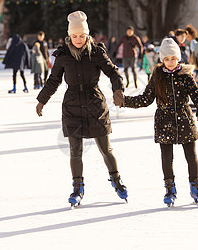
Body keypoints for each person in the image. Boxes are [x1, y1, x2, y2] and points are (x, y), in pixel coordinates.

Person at [35, 11, 128, 208]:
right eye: (75, 36)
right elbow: (53, 81)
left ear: (87, 35)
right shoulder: (63, 56)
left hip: (95, 105)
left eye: (82, 35)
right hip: (72, 107)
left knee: (106, 149)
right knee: (75, 151)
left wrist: (118, 89)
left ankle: (117, 181)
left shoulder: (96, 52)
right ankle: (77, 188)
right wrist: (42, 100)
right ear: (69, 35)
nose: (78, 39)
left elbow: (113, 71)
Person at [119, 38, 198, 207]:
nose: (170, 62)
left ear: (178, 58)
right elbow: (146, 99)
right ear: (162, 60)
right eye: (166, 59)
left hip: (184, 117)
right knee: (167, 157)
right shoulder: (157, 76)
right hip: (164, 120)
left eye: (173, 58)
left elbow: (197, 94)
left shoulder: (185, 75)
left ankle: (195, 188)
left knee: (191, 155)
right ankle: (170, 189)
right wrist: (125, 101)